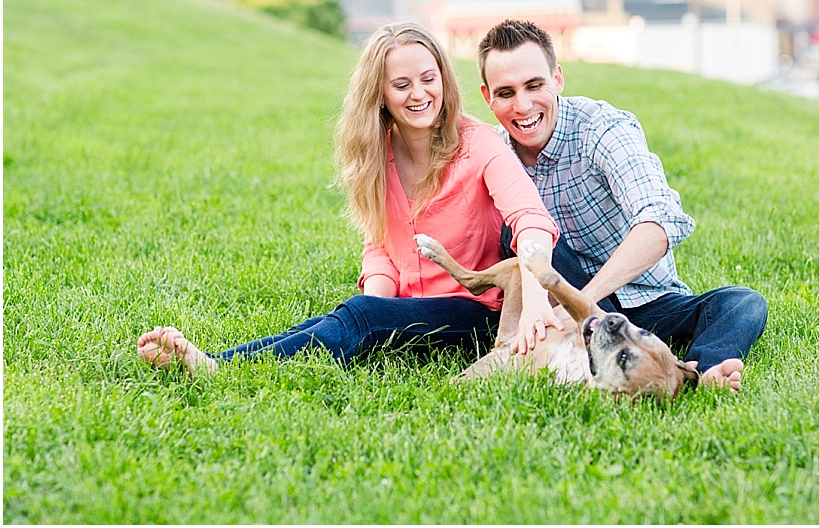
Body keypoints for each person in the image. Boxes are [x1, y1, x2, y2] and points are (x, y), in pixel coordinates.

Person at [137, 22, 564, 375]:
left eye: (428, 79)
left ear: (444, 80)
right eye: (402, 84)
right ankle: (214, 360)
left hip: (476, 314)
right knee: (342, 320)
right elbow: (380, 246)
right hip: (406, 306)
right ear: (380, 93)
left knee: (361, 319)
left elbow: (532, 222)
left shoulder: (479, 145)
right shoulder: (378, 153)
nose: (419, 94)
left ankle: (219, 368)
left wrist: (534, 302)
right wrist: (376, 303)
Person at [476, 19, 768, 394]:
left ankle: (703, 369)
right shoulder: (494, 154)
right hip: (563, 303)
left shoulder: (602, 128)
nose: (523, 105)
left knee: (743, 304)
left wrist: (585, 301)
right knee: (521, 236)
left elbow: (660, 219)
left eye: (535, 86)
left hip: (646, 305)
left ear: (558, 79)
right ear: (488, 98)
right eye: (506, 93)